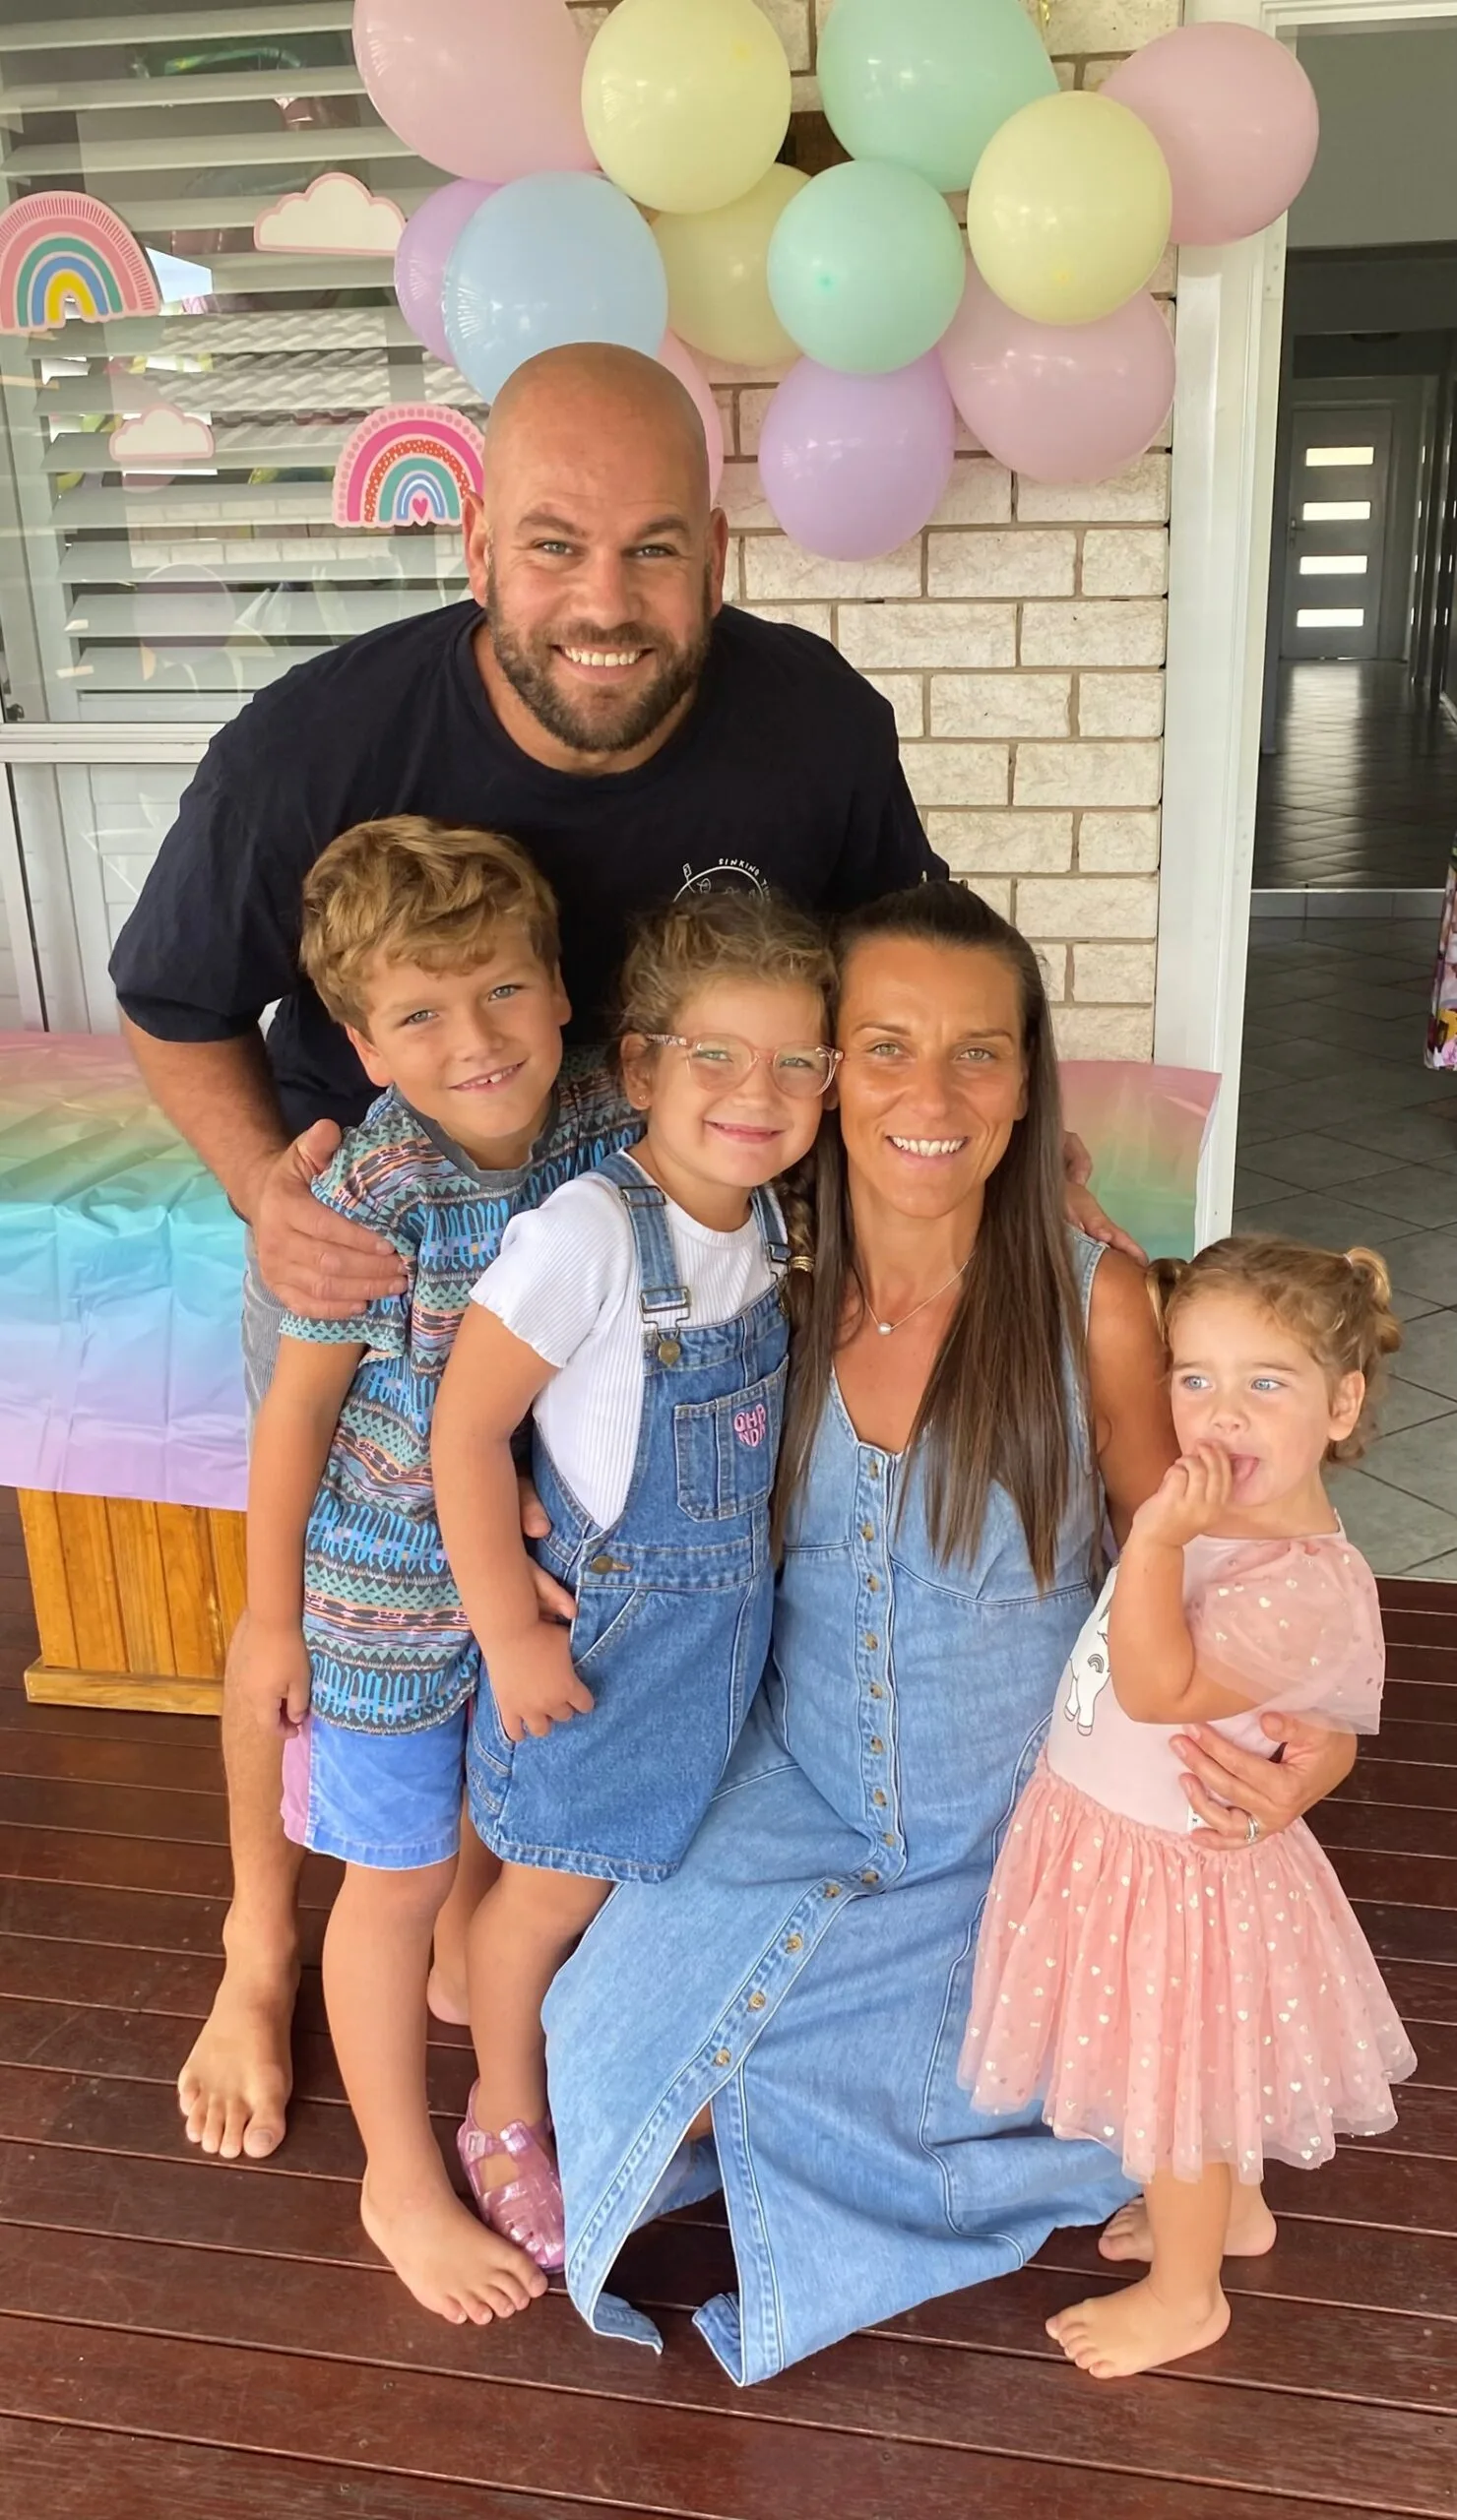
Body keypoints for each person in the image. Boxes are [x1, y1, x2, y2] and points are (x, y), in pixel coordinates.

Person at [107, 341, 950, 2166]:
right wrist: (268, 1196)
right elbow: (172, 999)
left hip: (636, 1272)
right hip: (377, 1285)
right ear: (477, 542)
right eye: (556, 544)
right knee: (327, 1630)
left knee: (547, 1625)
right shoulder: (315, 746)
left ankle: (461, 1933)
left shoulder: (814, 721)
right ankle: (261, 1945)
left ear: (716, 556)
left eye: (654, 550)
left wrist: (987, 1157)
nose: (603, 601)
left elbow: (909, 963)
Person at [538, 881, 1361, 2385]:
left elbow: (1212, 1557)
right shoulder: (761, 1280)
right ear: (826, 1072)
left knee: (804, 2093)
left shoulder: (1095, 1306)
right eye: (887, 1047)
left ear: (1027, 1084)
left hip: (1015, 1832)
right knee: (608, 2040)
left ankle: (1161, 2138)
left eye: (979, 1053)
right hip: (796, 1785)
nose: (933, 1096)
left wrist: (1316, 1742)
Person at [235, 815, 638, 2324]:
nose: (476, 1041)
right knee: (394, 1879)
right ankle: (399, 2177)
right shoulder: (376, 1193)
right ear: (362, 1045)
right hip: (385, 1599)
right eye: (420, 1015)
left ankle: (491, 2035)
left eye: (504, 990)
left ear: (559, 987)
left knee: (515, 1821)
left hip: (544, 1570)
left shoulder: (608, 1117)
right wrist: (271, 1621)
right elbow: (298, 1415)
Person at [432, 893, 836, 2271]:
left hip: (719, 1646)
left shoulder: (769, 1222)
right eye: (716, 1056)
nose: (756, 1093)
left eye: (794, 1062)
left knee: (629, 1889)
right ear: (643, 1067)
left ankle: (604, 2064)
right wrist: (509, 1635)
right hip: (602, 1651)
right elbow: (466, 1431)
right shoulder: (590, 1234)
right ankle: (502, 2116)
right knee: (545, 1900)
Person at [961, 1234, 1415, 2380]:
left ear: (1341, 1404)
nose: (1222, 1413)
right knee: (1195, 2086)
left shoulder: (1298, 1579)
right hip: (1126, 1847)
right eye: (1195, 1377)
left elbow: (1155, 1687)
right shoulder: (1219, 1512)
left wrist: (1157, 1536)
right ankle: (1232, 2214)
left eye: (1267, 1382)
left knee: (1176, 2094)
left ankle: (1185, 2295)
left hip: (1179, 1882)